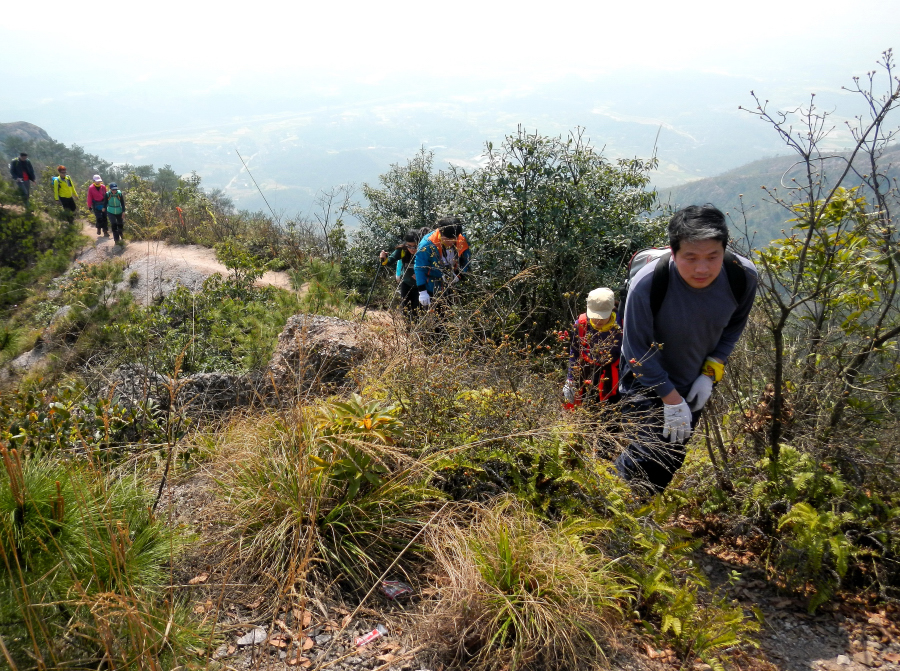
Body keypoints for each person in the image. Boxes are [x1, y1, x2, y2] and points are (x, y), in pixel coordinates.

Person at [614, 205, 757, 494]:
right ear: (674, 252)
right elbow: (635, 348)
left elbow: (733, 328)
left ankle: (628, 506)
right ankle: (611, 506)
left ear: (724, 249)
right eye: (690, 258)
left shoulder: (742, 277)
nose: (702, 268)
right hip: (645, 377)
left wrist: (710, 372)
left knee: (671, 458)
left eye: (712, 257)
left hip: (692, 380)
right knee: (649, 453)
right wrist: (669, 397)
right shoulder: (649, 282)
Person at [563, 287, 622, 408]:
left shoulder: (622, 325)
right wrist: (570, 380)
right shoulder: (581, 324)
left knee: (610, 415)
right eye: (594, 315)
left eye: (602, 316)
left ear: (611, 310)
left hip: (614, 379)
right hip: (586, 376)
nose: (597, 320)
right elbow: (574, 352)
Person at [414, 216, 470, 309]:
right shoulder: (427, 244)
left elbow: (466, 261)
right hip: (431, 286)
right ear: (440, 233)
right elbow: (419, 267)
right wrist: (422, 291)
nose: (452, 242)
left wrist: (458, 275)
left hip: (452, 286)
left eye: (454, 238)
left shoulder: (461, 239)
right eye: (448, 239)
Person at [380, 230, 422, 319]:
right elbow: (389, 261)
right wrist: (383, 258)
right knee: (405, 309)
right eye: (409, 246)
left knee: (417, 310)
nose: (412, 249)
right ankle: (407, 326)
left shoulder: (424, 251)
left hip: (420, 286)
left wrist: (422, 275)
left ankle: (417, 327)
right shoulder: (402, 250)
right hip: (406, 283)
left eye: (415, 246)